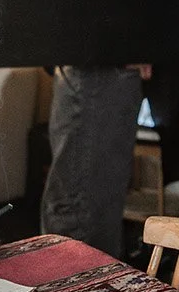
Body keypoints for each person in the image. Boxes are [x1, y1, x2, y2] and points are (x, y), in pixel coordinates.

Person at [40, 64, 150, 257]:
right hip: (93, 68)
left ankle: (84, 284)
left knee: (77, 210)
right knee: (84, 207)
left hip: (96, 70)